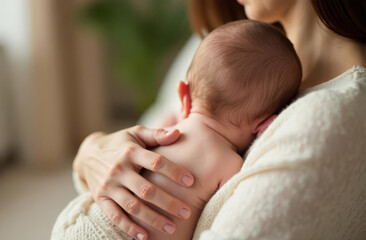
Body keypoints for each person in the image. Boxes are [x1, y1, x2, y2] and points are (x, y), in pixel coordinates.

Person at [52, 0, 366, 239]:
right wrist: (93, 151)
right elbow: (112, 164)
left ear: (183, 95)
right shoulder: (241, 47)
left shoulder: (326, 114)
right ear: (263, 124)